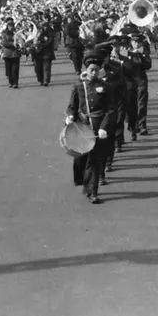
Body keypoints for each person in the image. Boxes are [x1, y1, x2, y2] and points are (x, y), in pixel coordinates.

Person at [65, 52, 115, 204]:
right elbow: (72, 107)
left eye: (96, 70)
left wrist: (104, 128)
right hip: (82, 127)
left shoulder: (105, 86)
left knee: (95, 160)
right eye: (91, 69)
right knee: (81, 159)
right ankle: (83, 182)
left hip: (98, 127)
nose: (94, 72)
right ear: (86, 70)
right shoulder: (79, 86)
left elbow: (111, 109)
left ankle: (92, 191)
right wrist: (69, 116)